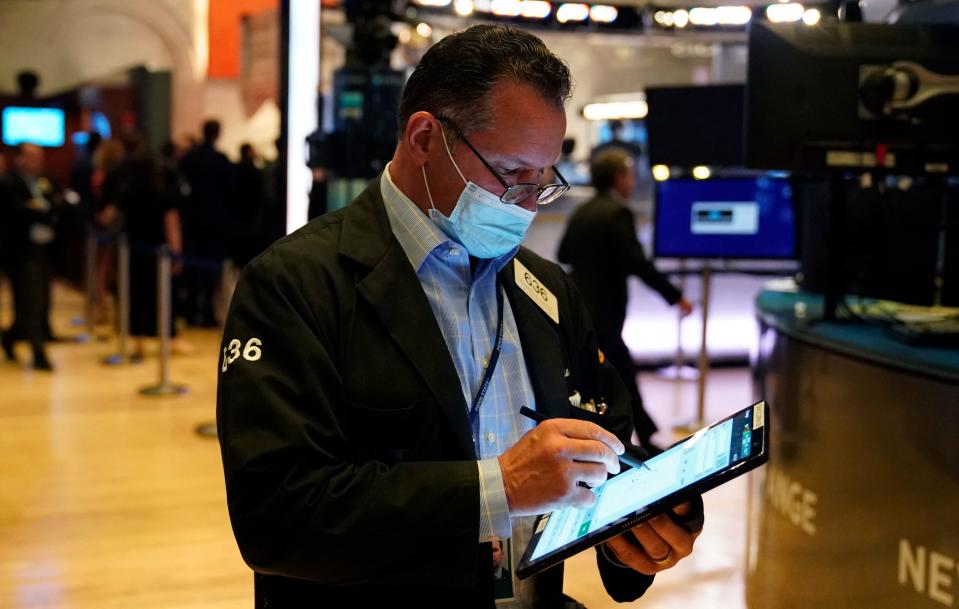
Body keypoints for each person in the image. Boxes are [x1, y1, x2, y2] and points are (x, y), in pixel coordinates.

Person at [217, 25, 703, 609]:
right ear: (425, 137)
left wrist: (633, 524)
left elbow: (605, 438)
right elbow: (278, 517)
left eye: (543, 182)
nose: (526, 206)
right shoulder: (295, 285)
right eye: (510, 175)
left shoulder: (545, 290)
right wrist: (496, 490)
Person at [558, 148, 693, 449]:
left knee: (605, 377)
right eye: (630, 175)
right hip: (605, 313)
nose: (632, 181)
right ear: (619, 178)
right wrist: (675, 296)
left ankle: (639, 437)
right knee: (622, 378)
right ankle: (641, 442)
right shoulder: (619, 213)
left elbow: (563, 253)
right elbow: (637, 263)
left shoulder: (583, 212)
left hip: (578, 309)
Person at [0, 143, 61, 370]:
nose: (38, 161)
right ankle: (38, 352)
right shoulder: (9, 182)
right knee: (29, 303)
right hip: (19, 253)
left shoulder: (45, 181)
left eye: (40, 156)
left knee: (40, 301)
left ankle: (10, 337)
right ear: (19, 158)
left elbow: (56, 203)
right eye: (32, 156)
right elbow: (17, 210)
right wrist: (34, 208)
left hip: (43, 250)